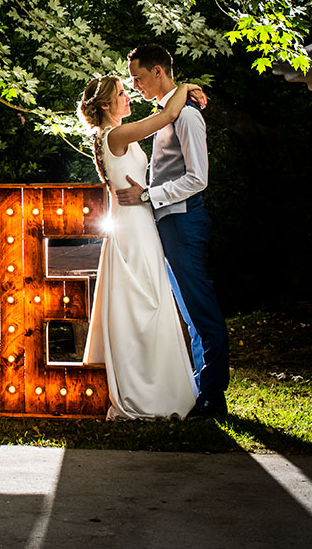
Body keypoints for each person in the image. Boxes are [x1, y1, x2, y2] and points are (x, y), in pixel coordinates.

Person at [116, 44, 228, 419]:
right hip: (167, 221)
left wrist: (148, 194)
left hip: (184, 219)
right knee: (187, 309)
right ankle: (200, 387)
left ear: (158, 72)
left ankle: (213, 395)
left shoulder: (188, 117)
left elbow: (198, 178)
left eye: (138, 77)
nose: (135, 85)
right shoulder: (167, 114)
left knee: (200, 308)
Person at [79, 75, 198, 419]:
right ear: (106, 106)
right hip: (131, 227)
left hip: (139, 222)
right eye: (121, 94)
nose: (128, 96)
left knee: (151, 302)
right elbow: (163, 118)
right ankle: (145, 391)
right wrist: (186, 88)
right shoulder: (114, 135)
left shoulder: (111, 135)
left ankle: (161, 385)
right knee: (142, 305)